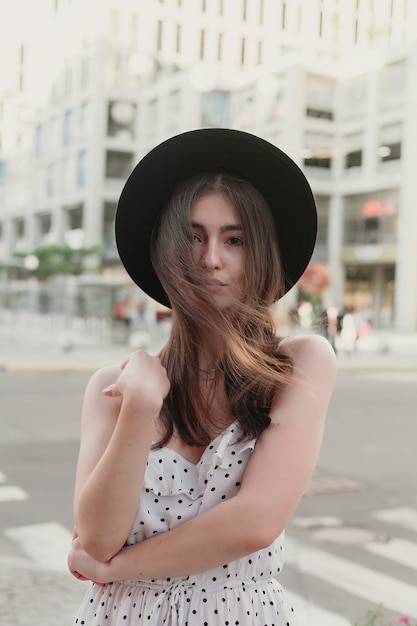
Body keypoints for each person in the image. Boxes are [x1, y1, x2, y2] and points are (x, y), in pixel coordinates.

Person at [68, 128, 337, 625]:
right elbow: (97, 537)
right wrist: (142, 406)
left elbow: (255, 521)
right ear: (166, 251)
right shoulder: (115, 387)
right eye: (192, 237)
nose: (211, 259)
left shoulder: (300, 364)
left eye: (234, 240)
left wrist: (111, 568)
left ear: (261, 253)